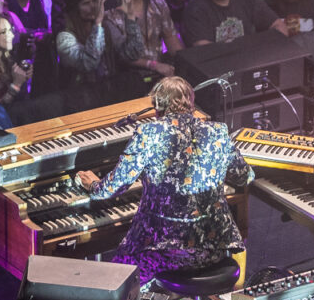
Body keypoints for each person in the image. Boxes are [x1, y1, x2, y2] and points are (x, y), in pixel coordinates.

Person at [77, 76, 253, 283]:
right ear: (191, 103)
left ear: (157, 106)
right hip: (212, 251)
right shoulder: (218, 131)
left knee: (119, 277)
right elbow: (245, 177)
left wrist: (93, 185)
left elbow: (114, 186)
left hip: (163, 252)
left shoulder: (148, 133)